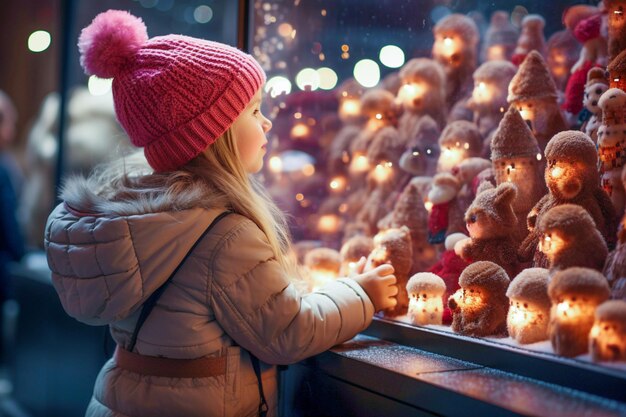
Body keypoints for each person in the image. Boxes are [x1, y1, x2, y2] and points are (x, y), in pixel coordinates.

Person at [44, 10, 398, 417]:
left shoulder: (140, 223)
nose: (266, 123)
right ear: (214, 134)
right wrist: (361, 293)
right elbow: (288, 331)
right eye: (252, 111)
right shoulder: (224, 234)